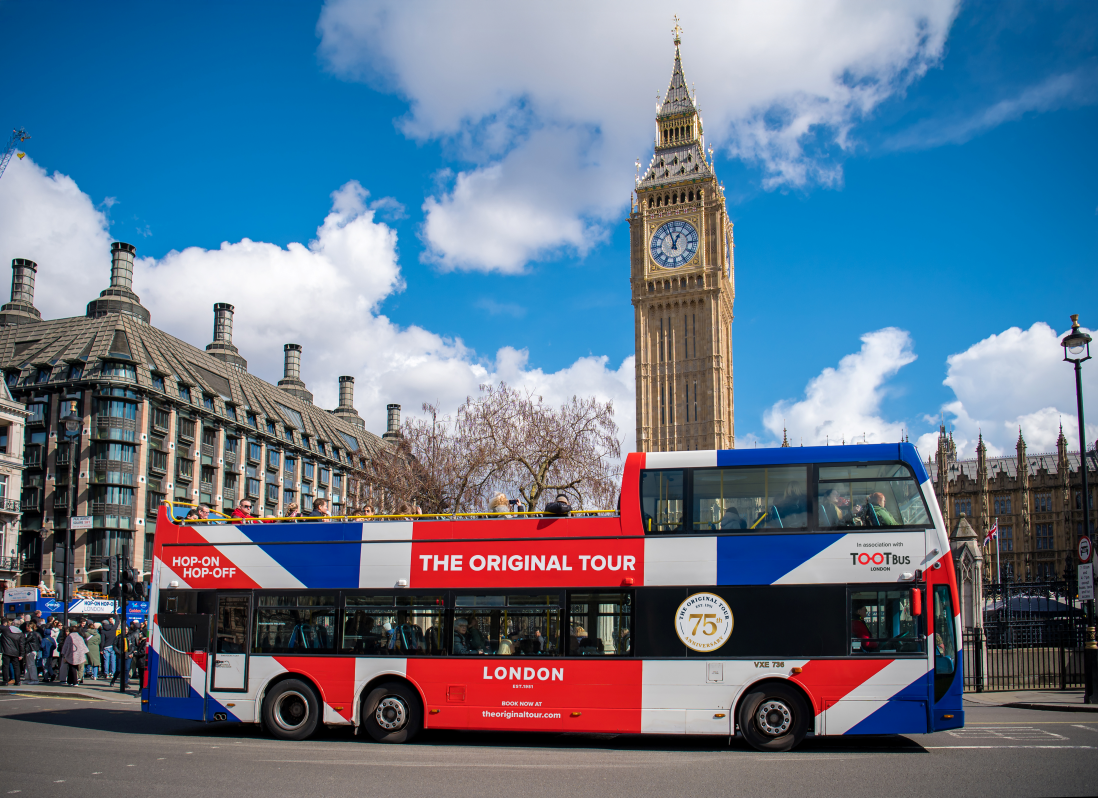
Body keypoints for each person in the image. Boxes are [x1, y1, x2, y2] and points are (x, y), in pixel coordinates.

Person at [1, 618, 26, 685]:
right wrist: (21, 654)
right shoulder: (20, 633)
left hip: (6, 651)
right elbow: (22, 645)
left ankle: (5, 681)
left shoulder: (6, 629)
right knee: (16, 667)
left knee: (5, 666)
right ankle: (17, 681)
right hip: (16, 652)